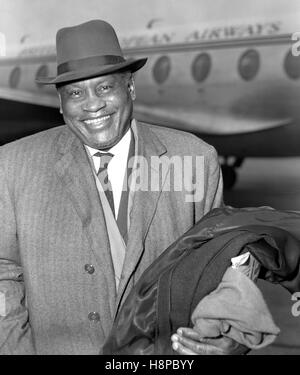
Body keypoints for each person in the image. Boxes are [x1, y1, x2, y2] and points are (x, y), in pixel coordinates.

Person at [0, 19, 244, 355]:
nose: (92, 105)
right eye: (75, 92)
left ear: (130, 89)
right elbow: (3, 272)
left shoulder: (196, 159)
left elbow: (221, 267)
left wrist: (228, 332)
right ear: (60, 104)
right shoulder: (13, 165)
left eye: (104, 88)